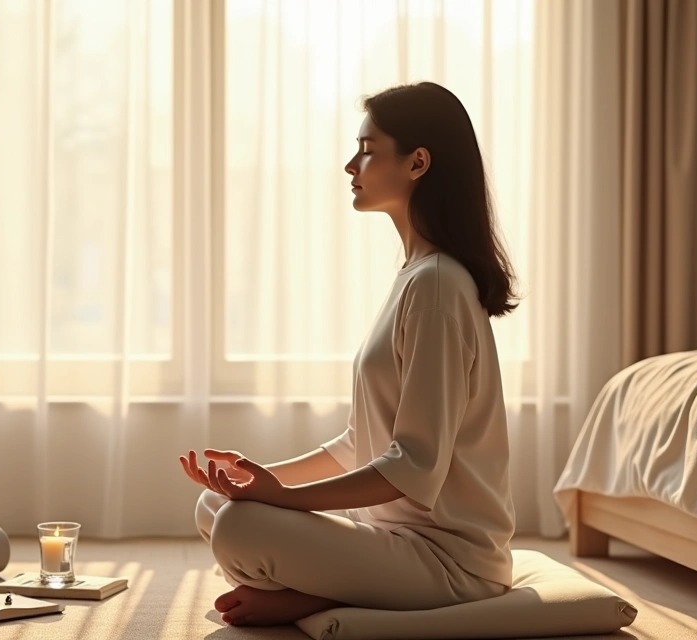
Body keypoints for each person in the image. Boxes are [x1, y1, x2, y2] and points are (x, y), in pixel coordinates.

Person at [178, 81, 519, 627]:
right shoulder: (415, 277)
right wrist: (263, 481)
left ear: (417, 163)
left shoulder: (437, 287)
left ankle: (321, 595)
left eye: (366, 149)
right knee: (217, 508)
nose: (350, 165)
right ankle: (324, 592)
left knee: (241, 528)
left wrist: (283, 501)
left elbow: (415, 466)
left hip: (450, 560)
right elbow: (362, 442)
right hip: (391, 535)